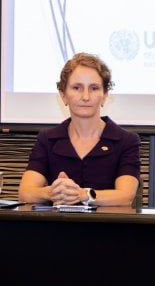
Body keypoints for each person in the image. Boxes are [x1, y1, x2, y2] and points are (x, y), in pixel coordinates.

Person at [18, 53, 140, 206]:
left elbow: (125, 197)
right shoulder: (47, 139)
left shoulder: (126, 141)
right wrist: (52, 192)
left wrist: (82, 195)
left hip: (108, 228)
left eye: (94, 88)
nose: (86, 96)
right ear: (63, 95)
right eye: (77, 88)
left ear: (104, 96)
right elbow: (25, 193)